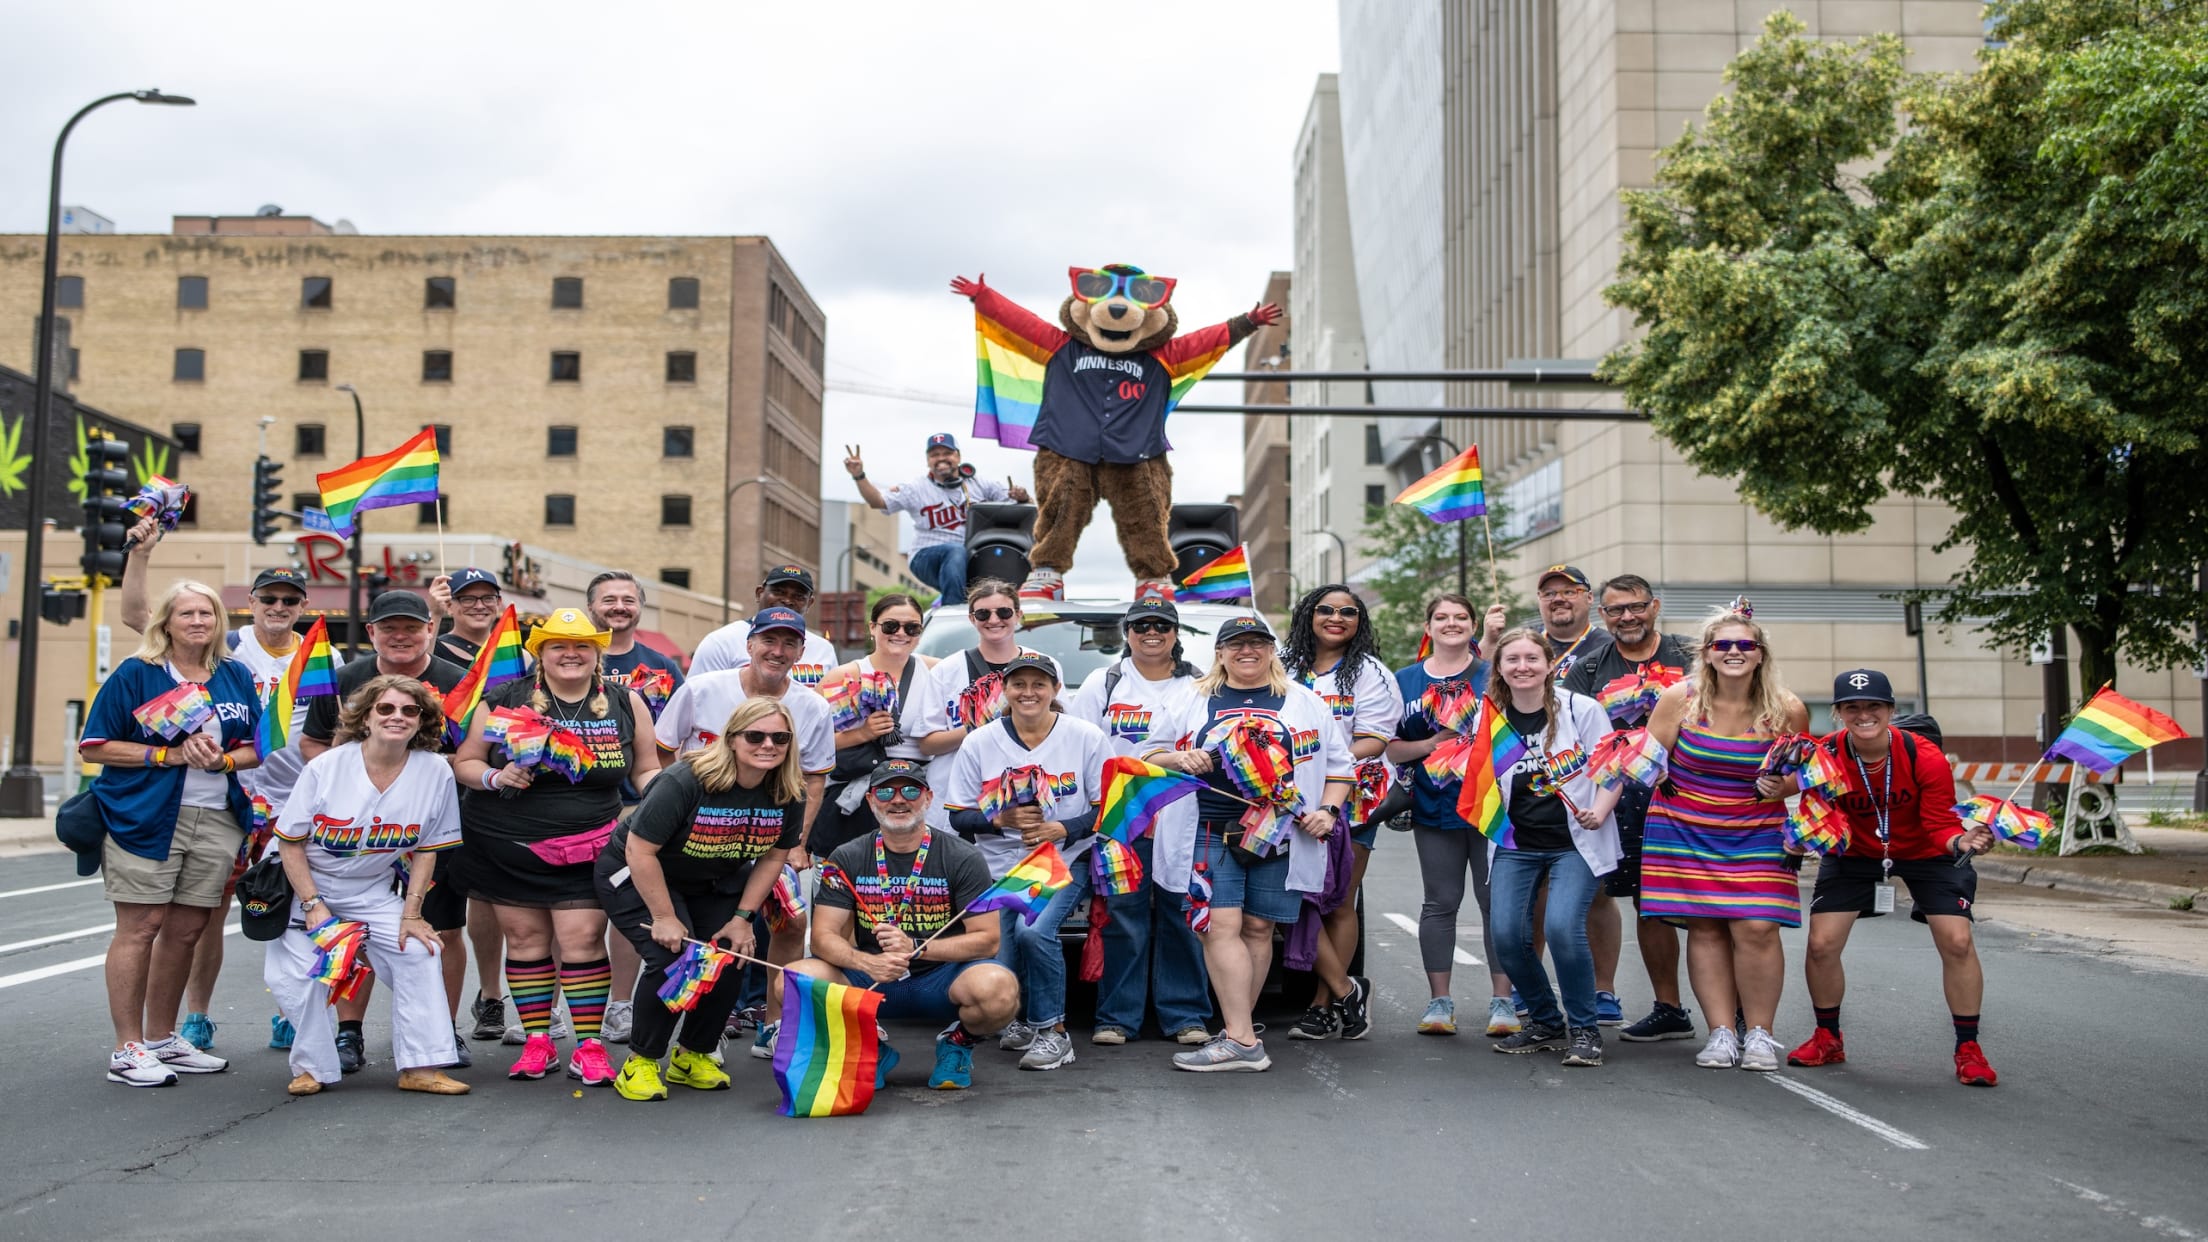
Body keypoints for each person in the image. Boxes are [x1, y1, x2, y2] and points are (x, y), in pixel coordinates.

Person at [116, 528, 307, 1052]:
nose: (278, 606)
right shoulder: (229, 648)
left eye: (289, 600)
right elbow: (139, 616)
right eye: (268, 598)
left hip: (293, 802)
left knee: (297, 911)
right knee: (203, 916)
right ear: (251, 603)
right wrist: (141, 553)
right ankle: (195, 1016)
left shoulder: (320, 659)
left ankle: (292, 1010)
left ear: (302, 606)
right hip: (232, 797)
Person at [452, 607, 661, 1085]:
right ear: (540, 652)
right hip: (508, 843)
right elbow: (464, 762)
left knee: (582, 939)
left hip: (591, 844)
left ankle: (588, 1046)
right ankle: (538, 1042)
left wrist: (669, 793)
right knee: (525, 942)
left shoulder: (627, 702)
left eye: (581, 645)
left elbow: (645, 769)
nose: (571, 654)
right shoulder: (504, 699)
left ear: (596, 652)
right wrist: (495, 775)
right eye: (558, 646)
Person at [1145, 615, 1354, 1072]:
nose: (1247, 652)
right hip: (1209, 833)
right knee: (1218, 927)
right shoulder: (1192, 697)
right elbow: (1148, 753)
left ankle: (1238, 1032)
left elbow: (1340, 768)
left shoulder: (1304, 702)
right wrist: (1180, 756)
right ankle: (1242, 1037)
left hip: (1278, 835)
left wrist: (1328, 811)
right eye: (1236, 644)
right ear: (1219, 652)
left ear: (1271, 650)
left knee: (1260, 931)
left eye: (1258, 644)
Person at [80, 580, 264, 1085]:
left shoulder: (233, 675)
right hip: (146, 816)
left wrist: (225, 758)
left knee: (186, 931)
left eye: (206, 613)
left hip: (217, 817)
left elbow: (257, 746)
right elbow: (95, 746)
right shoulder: (137, 673)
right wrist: (168, 754)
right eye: (187, 613)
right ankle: (127, 1047)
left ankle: (162, 1038)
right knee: (140, 927)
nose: (199, 622)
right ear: (166, 621)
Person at [1790, 670, 1999, 1086]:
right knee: (1821, 943)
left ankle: (1968, 1048)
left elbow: (1939, 823)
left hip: (1926, 851)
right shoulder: (1825, 754)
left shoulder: (1924, 756)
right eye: (1852, 707)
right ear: (1838, 714)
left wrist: (1962, 842)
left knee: (1957, 940)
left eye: (1874, 707)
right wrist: (1803, 836)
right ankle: (1828, 1037)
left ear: (1890, 711)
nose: (1863, 715)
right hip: (1855, 852)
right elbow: (1817, 813)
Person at [267, 675, 468, 1096]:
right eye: (386, 709)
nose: (397, 717)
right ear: (365, 717)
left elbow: (427, 850)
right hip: (305, 883)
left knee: (418, 950)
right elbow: (290, 844)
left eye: (409, 711)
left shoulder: (435, 772)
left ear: (421, 721)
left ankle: (421, 1066)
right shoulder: (326, 766)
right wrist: (313, 904)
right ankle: (313, 1067)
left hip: (368, 889)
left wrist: (412, 915)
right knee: (303, 976)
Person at [301, 590, 476, 1073]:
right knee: (353, 933)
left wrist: (427, 770)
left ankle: (442, 1030)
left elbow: (473, 753)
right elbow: (313, 744)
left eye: (411, 627)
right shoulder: (342, 680)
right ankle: (349, 1033)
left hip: (427, 828)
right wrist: (354, 776)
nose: (401, 636)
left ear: (430, 630)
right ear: (372, 632)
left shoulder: (458, 682)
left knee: (440, 929)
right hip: (355, 835)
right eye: (389, 627)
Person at [597, 698, 804, 1102]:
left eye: (779, 737)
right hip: (640, 872)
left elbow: (774, 856)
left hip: (714, 877)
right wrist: (663, 915)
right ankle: (641, 1060)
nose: (768, 744)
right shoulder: (686, 780)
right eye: (755, 735)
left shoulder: (787, 791)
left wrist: (744, 918)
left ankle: (693, 1053)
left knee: (730, 953)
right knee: (674, 956)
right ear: (731, 738)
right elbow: (639, 852)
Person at [653, 606, 833, 1053]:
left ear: (801, 651)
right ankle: (701, 1031)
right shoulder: (701, 689)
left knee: (791, 920)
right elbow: (662, 752)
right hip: (696, 843)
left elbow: (813, 779)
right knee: (698, 930)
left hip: (767, 839)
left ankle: (773, 1024)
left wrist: (797, 844)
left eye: (789, 643)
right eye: (768, 641)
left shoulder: (811, 706)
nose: (778, 651)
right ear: (749, 645)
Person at [1640, 606, 1809, 1072]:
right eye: (1723, 645)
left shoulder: (1787, 708)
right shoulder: (1679, 699)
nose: (1734, 652)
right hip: (1685, 826)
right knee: (1707, 927)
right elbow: (1648, 762)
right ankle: (1721, 1033)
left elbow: (1804, 775)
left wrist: (1784, 786)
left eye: (1744, 645)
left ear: (1760, 655)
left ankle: (1759, 1034)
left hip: (1756, 828)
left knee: (1757, 927)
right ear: (1708, 654)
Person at [801, 759, 1021, 1092]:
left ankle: (957, 1043)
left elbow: (988, 939)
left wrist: (919, 947)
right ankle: (869, 1049)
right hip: (872, 975)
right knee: (795, 981)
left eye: (910, 790)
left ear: (928, 798)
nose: (898, 799)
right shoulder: (846, 857)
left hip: (942, 978)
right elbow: (822, 937)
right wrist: (866, 961)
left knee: (999, 990)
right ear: (871, 800)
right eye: (886, 791)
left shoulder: (963, 856)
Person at [943, 654, 1109, 1071]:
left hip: (1059, 858)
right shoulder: (980, 741)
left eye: (1040, 684)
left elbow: (1108, 808)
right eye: (1019, 684)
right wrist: (1000, 819)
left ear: (1055, 690)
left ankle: (1053, 1031)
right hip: (998, 865)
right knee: (997, 953)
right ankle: (1013, 1020)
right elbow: (957, 814)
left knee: (1033, 931)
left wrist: (1064, 829)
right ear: (1005, 690)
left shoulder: (1084, 736)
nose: (1029, 692)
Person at [1067, 598, 1213, 1046]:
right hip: (1122, 819)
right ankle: (1116, 1017)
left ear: (1176, 633)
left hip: (1183, 818)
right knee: (1124, 915)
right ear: (1127, 632)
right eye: (1141, 625)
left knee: (1181, 912)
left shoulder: (1201, 685)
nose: (1152, 632)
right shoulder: (1104, 681)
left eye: (1162, 625)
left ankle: (1185, 1015)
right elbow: (1081, 748)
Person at [1478, 629, 1625, 1067]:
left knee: (1562, 928)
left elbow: (1610, 768)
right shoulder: (1491, 715)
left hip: (1574, 843)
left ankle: (1584, 1029)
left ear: (1549, 665)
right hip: (1514, 843)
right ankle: (1544, 1020)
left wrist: (1599, 811)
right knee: (1505, 935)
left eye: (1531, 658)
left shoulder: (1582, 709)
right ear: (1499, 668)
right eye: (1512, 660)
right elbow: (1481, 778)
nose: (1522, 667)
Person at [1561, 573, 1696, 1038]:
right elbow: (1573, 734)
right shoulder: (1589, 667)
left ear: (1654, 606)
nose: (1627, 617)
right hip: (1617, 798)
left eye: (1635, 607)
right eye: (1616, 610)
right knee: (1616, 898)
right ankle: (1641, 1001)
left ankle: (1721, 1010)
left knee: (1698, 906)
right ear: (1603, 616)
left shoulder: (1690, 656)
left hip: (1688, 796)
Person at [1277, 584, 1404, 1041]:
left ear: (1359, 621)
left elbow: (1374, 740)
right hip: (1288, 801)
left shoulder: (1371, 673)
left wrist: (1321, 763)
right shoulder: (1283, 666)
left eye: (1348, 612)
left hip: (1352, 800)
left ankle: (1322, 1004)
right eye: (1326, 610)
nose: (1337, 617)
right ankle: (1350, 989)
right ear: (1308, 615)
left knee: (1337, 902)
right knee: (1296, 898)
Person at [1388, 594, 1517, 1037]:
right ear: (1428, 626)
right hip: (1434, 804)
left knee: (1495, 904)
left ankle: (1504, 1002)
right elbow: (1391, 747)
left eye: (1461, 617)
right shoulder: (1403, 681)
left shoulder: (1493, 673)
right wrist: (1432, 744)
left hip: (1492, 804)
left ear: (1473, 625)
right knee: (1440, 902)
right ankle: (1439, 1002)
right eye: (1441, 617)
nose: (1451, 623)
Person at [585, 569, 687, 1047]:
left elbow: (684, 732)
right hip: (578, 806)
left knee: (628, 913)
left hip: (642, 809)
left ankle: (620, 1006)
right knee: (576, 917)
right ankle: (551, 1013)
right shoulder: (571, 658)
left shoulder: (662, 666)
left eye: (628, 599)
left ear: (640, 608)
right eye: (609, 599)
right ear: (592, 607)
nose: (619, 606)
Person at [903, 580, 1050, 837]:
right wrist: (980, 726)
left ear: (1018, 615)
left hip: (1028, 800)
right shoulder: (947, 671)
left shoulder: (1044, 666)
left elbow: (1061, 732)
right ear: (972, 619)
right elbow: (927, 744)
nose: (994, 620)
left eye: (1003, 612)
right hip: (962, 799)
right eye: (983, 613)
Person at [813, 593, 936, 858]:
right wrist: (863, 733)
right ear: (872, 627)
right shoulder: (845, 676)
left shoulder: (937, 672)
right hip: (859, 796)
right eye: (890, 626)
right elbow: (808, 741)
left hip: (917, 792)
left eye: (911, 628)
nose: (900, 633)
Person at [845, 432, 1029, 606]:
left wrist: (1022, 497)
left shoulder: (980, 483)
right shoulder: (916, 487)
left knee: (987, 576)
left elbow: (1024, 506)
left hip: (967, 557)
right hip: (926, 556)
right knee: (955, 552)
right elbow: (878, 501)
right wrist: (858, 475)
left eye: (947, 453)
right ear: (928, 461)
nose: (941, 458)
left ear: (958, 456)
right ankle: (953, 612)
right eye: (934, 454)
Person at [688, 564, 838, 685]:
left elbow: (832, 708)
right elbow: (697, 701)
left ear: (809, 603)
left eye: (798, 596)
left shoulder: (823, 650)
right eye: (779, 592)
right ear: (759, 593)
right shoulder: (721, 642)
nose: (787, 600)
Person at [1533, 565, 1606, 680]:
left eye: (1569, 592)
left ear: (1590, 597)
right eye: (1548, 594)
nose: (1558, 599)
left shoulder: (1610, 647)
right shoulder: (1523, 645)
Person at [426, 567, 507, 665]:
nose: (479, 606)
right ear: (449, 606)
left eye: (488, 598)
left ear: (498, 603)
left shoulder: (516, 655)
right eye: (468, 599)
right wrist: (435, 614)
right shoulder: (433, 650)